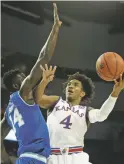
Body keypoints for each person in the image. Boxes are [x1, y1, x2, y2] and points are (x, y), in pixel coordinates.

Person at [1, 3, 62, 164]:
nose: (26, 78)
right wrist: (55, 29)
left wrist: (6, 161)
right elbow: (43, 58)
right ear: (16, 86)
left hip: (27, 159)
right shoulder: (23, 93)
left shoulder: (8, 111)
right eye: (22, 77)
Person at [35, 64, 124, 164]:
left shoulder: (86, 111)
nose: (70, 86)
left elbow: (102, 115)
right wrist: (44, 81)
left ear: (82, 93)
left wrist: (116, 92)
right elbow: (39, 99)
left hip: (76, 157)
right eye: (69, 84)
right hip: (53, 157)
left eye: (75, 85)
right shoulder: (56, 101)